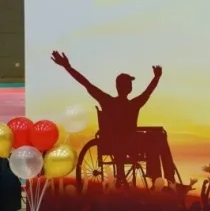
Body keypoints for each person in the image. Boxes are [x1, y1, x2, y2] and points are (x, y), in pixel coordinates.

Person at [50, 51, 176, 182]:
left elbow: (86, 84)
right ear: (128, 87)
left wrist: (67, 67)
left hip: (111, 143)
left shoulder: (107, 101)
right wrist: (156, 78)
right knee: (158, 137)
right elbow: (148, 92)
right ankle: (167, 179)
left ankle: (160, 179)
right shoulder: (134, 104)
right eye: (129, 83)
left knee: (154, 136)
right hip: (129, 144)